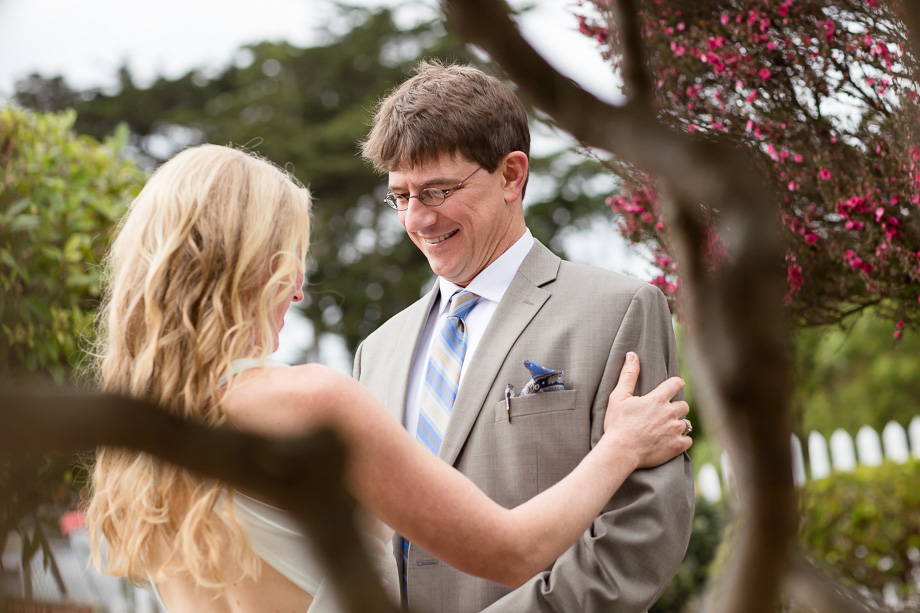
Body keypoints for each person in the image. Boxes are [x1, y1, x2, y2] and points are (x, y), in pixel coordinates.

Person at [85, 144, 691, 613]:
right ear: (246, 266)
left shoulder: (139, 436)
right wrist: (621, 447)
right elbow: (512, 551)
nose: (298, 291)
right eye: (290, 257)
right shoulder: (312, 399)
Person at [354, 60, 696, 612]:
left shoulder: (619, 311)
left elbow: (641, 535)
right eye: (401, 196)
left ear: (511, 175)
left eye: (437, 191)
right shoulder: (376, 353)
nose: (416, 219)